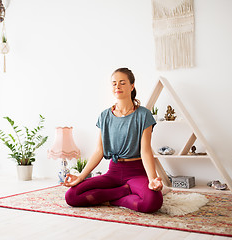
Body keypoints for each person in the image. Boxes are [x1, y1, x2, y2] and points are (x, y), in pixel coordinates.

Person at [63, 68, 163, 213]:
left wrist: (152, 179)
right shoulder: (104, 116)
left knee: (153, 202)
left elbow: (146, 150)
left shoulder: (144, 115)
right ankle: (123, 192)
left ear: (132, 86)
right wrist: (80, 176)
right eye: (114, 83)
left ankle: (116, 197)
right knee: (72, 196)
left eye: (122, 83)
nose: (117, 86)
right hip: (113, 172)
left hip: (136, 172)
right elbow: (99, 151)